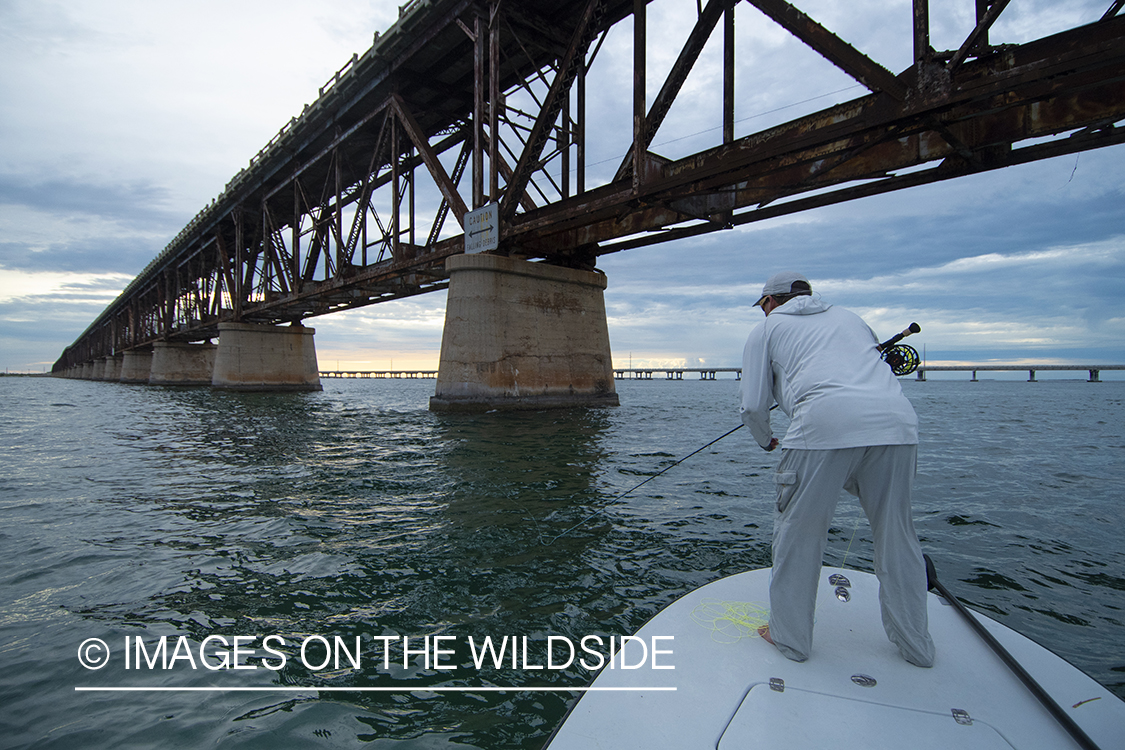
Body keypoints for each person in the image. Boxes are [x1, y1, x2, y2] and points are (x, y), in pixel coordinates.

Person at [740, 271, 935, 667]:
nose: (763, 313)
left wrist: (766, 440)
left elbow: (752, 406)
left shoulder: (767, 329)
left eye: (762, 306)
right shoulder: (852, 318)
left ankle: (790, 639)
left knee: (799, 536)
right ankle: (917, 647)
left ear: (771, 302)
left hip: (821, 426)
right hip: (897, 425)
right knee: (898, 536)